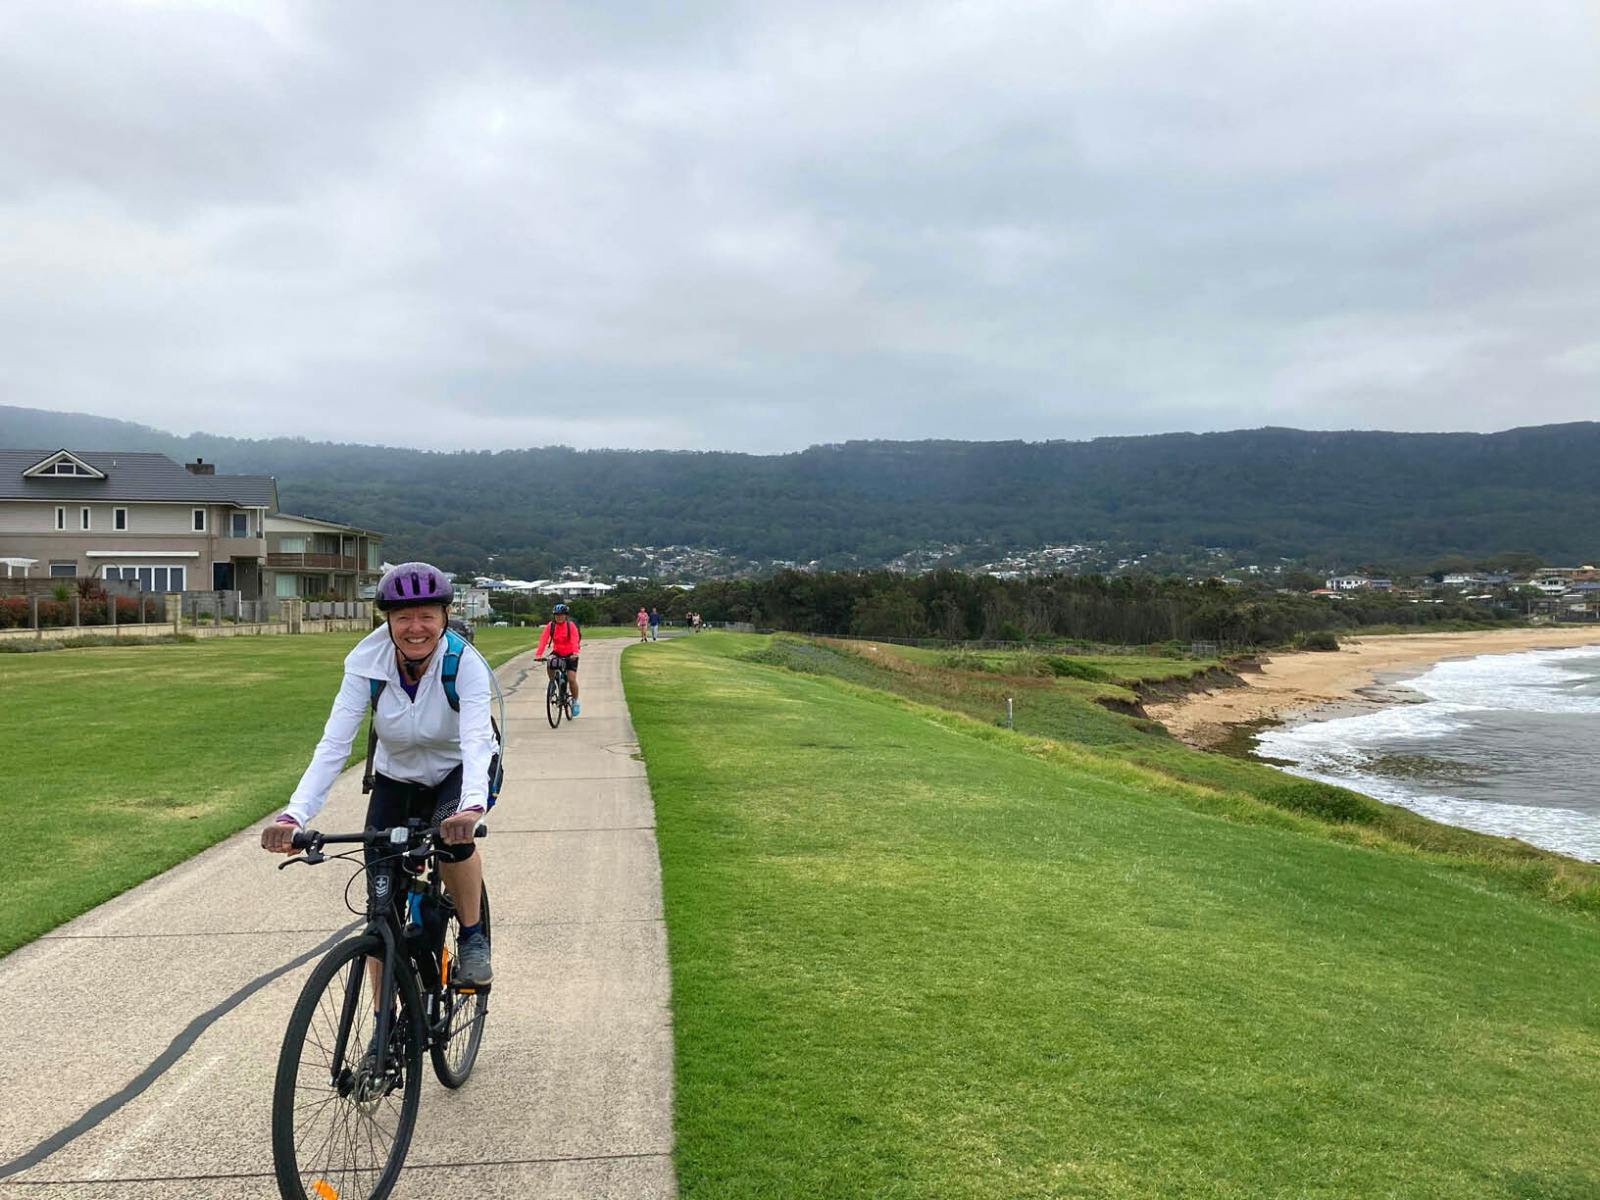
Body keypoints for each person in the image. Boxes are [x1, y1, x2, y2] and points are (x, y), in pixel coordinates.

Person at [261, 561, 498, 986]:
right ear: (386, 620)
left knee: (449, 838)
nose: (415, 627)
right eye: (403, 617)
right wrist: (293, 817)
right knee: (381, 914)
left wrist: (472, 807)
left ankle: (472, 936)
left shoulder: (465, 664)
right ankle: (379, 1033)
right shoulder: (365, 664)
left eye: (427, 615)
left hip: (458, 770)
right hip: (397, 775)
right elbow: (334, 745)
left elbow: (477, 740)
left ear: (445, 616)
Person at [536, 602, 582, 717]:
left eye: (561, 615)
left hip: (571, 653)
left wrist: (575, 652)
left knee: (571, 679)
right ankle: (553, 683)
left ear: (566, 615)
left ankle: (575, 701)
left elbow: (574, 639)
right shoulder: (551, 626)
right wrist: (539, 654)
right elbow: (543, 639)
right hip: (557, 651)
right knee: (550, 662)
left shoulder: (570, 625)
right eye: (557, 615)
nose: (559, 617)